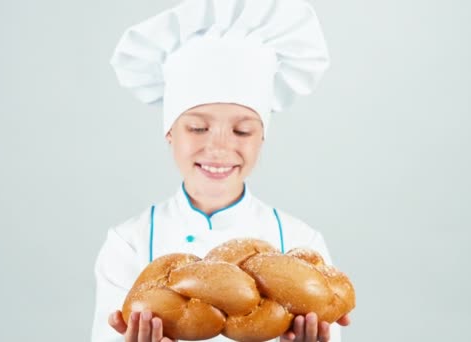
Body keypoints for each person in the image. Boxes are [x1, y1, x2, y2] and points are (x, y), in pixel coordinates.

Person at [92, 0, 351, 341]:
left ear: (262, 138)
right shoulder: (128, 244)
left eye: (242, 131)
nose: (218, 148)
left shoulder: (301, 239)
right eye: (198, 128)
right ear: (169, 132)